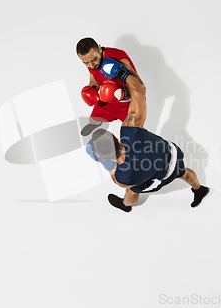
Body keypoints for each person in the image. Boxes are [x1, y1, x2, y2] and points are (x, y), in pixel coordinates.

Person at [90, 62, 210, 212]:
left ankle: (126, 205)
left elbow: (117, 181)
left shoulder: (123, 177)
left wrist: (104, 163)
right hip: (172, 153)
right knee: (184, 172)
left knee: (132, 189)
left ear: (99, 155)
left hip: (163, 175)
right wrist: (121, 72)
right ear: (117, 139)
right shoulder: (129, 130)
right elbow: (140, 92)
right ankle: (199, 189)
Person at [76, 37, 145, 136]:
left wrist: (121, 94)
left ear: (99, 48)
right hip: (108, 101)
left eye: (94, 60)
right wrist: (92, 88)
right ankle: (96, 124)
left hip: (129, 103)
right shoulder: (91, 63)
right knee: (92, 120)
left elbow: (141, 88)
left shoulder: (118, 57)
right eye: (86, 63)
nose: (91, 65)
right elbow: (93, 79)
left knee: (133, 135)